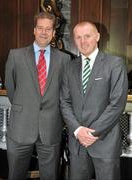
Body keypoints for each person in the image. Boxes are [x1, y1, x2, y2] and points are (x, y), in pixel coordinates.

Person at [5, 12, 70, 180]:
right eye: (40, 28)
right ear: (34, 30)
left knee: (50, 176)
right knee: (15, 175)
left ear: (54, 33)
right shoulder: (15, 56)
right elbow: (12, 89)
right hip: (21, 127)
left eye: (48, 29)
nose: (44, 32)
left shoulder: (64, 59)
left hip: (51, 128)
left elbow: (65, 93)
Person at [60, 21, 128, 180]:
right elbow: (64, 102)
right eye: (78, 37)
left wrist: (92, 133)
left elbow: (117, 104)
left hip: (105, 142)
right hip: (77, 144)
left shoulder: (115, 64)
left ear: (97, 36)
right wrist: (78, 131)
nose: (83, 41)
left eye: (87, 36)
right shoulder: (69, 67)